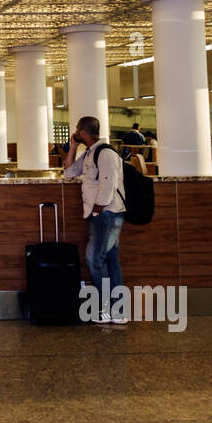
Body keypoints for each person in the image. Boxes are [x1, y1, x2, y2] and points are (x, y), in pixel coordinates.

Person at [63, 115, 127, 324]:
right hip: (101, 213)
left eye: (77, 129)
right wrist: (72, 148)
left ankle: (113, 310)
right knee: (109, 260)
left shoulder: (105, 153)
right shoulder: (90, 153)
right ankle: (116, 311)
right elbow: (69, 173)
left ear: (83, 131)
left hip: (107, 214)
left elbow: (108, 187)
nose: (75, 132)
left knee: (94, 260)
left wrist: (97, 212)